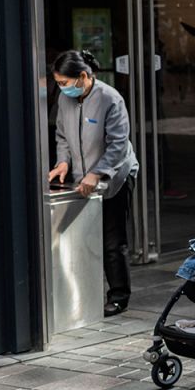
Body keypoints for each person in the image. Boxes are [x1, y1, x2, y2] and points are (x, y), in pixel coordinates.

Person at [48, 51, 140, 317]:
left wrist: (97, 173)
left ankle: (119, 295)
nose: (61, 88)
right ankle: (84, 293)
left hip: (115, 177)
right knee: (84, 236)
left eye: (65, 82)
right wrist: (63, 162)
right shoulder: (65, 100)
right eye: (59, 83)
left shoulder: (110, 98)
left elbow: (118, 144)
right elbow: (61, 134)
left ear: (84, 77)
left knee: (113, 240)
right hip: (80, 178)